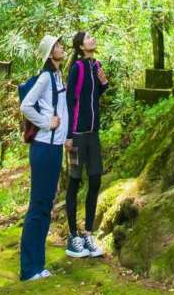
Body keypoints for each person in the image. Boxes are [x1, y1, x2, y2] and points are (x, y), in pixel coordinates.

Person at [19, 34, 69, 281]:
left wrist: (66, 136)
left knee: (45, 207)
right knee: (37, 206)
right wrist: (46, 123)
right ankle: (28, 269)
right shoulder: (45, 77)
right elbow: (26, 106)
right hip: (43, 148)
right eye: (58, 46)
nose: (62, 47)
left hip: (55, 147)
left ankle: (38, 264)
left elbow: (62, 109)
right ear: (51, 54)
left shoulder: (58, 76)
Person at [64, 30, 108, 258]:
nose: (93, 38)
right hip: (78, 135)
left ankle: (88, 234)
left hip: (93, 134)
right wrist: (69, 134)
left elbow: (94, 96)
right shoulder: (77, 69)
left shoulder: (96, 65)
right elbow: (70, 101)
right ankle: (73, 236)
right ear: (81, 46)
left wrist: (104, 83)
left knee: (95, 179)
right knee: (74, 181)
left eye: (93, 36)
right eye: (89, 37)